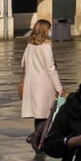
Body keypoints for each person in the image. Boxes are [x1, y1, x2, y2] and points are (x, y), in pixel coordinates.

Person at [20, 18, 62, 150]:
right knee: (46, 114)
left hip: (31, 83)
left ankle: (39, 142)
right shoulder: (46, 45)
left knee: (38, 115)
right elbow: (51, 68)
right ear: (45, 30)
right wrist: (59, 88)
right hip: (44, 84)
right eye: (49, 29)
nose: (50, 31)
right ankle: (35, 137)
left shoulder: (30, 44)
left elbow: (23, 63)